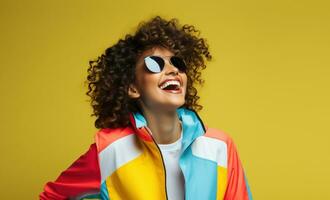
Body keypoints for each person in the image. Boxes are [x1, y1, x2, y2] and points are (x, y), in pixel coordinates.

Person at [39, 16, 253, 200]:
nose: (172, 70)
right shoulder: (109, 150)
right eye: (155, 64)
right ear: (133, 87)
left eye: (177, 63)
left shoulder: (220, 146)